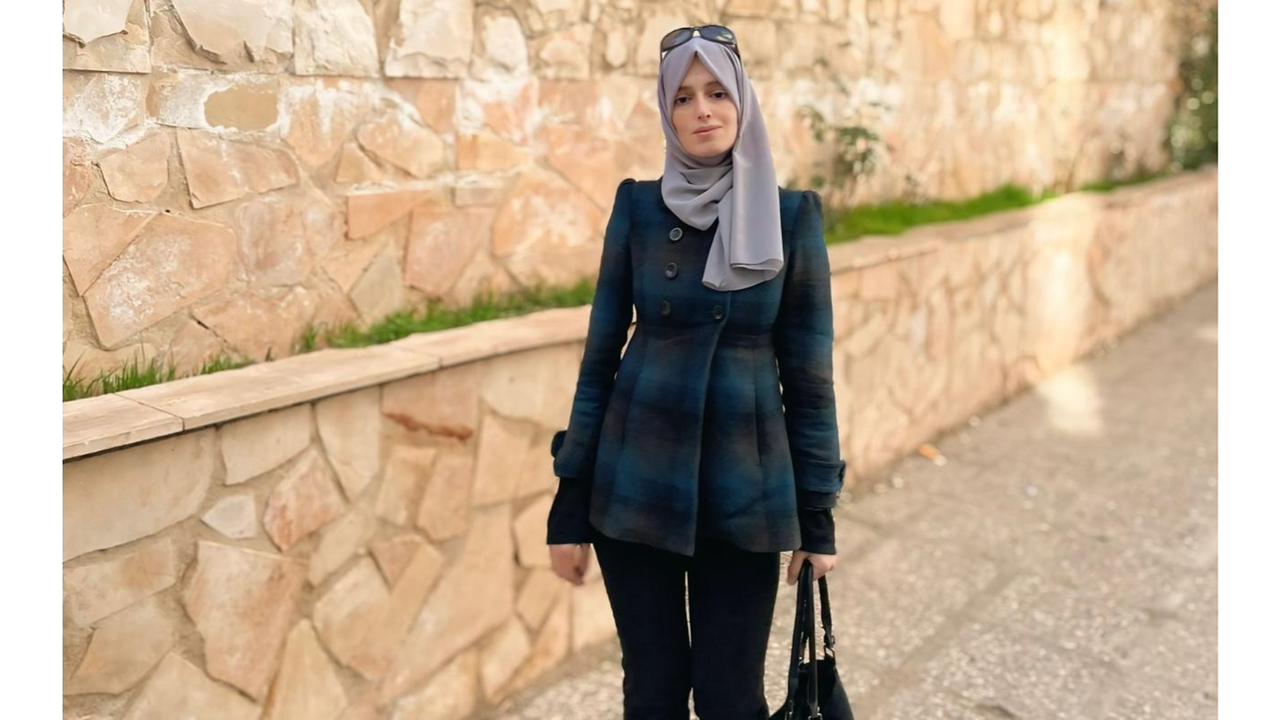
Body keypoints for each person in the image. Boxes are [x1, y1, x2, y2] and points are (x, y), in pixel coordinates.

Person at [544, 25, 847, 720]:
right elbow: (599, 361)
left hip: (745, 492)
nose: (702, 110)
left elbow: (809, 381)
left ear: (743, 101)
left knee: (730, 696)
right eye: (682, 97)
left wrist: (817, 517)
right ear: (666, 112)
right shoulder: (638, 208)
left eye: (717, 92)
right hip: (634, 485)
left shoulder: (791, 216)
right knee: (651, 690)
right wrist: (569, 505)